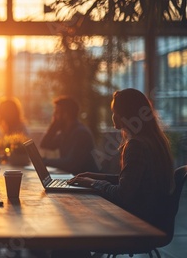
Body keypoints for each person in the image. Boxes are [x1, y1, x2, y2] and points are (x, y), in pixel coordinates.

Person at [68, 88, 174, 233]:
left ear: (126, 114)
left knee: (74, 219)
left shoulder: (136, 145)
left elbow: (122, 194)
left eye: (114, 112)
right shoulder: (154, 141)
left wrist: (92, 183)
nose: (112, 117)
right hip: (153, 218)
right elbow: (134, 181)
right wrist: (97, 177)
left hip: (137, 223)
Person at [40, 96, 98, 174]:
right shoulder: (65, 132)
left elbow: (70, 163)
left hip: (86, 182)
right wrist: (53, 126)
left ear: (65, 115)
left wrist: (44, 161)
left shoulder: (81, 133)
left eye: (56, 112)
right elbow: (45, 144)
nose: (53, 116)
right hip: (74, 178)